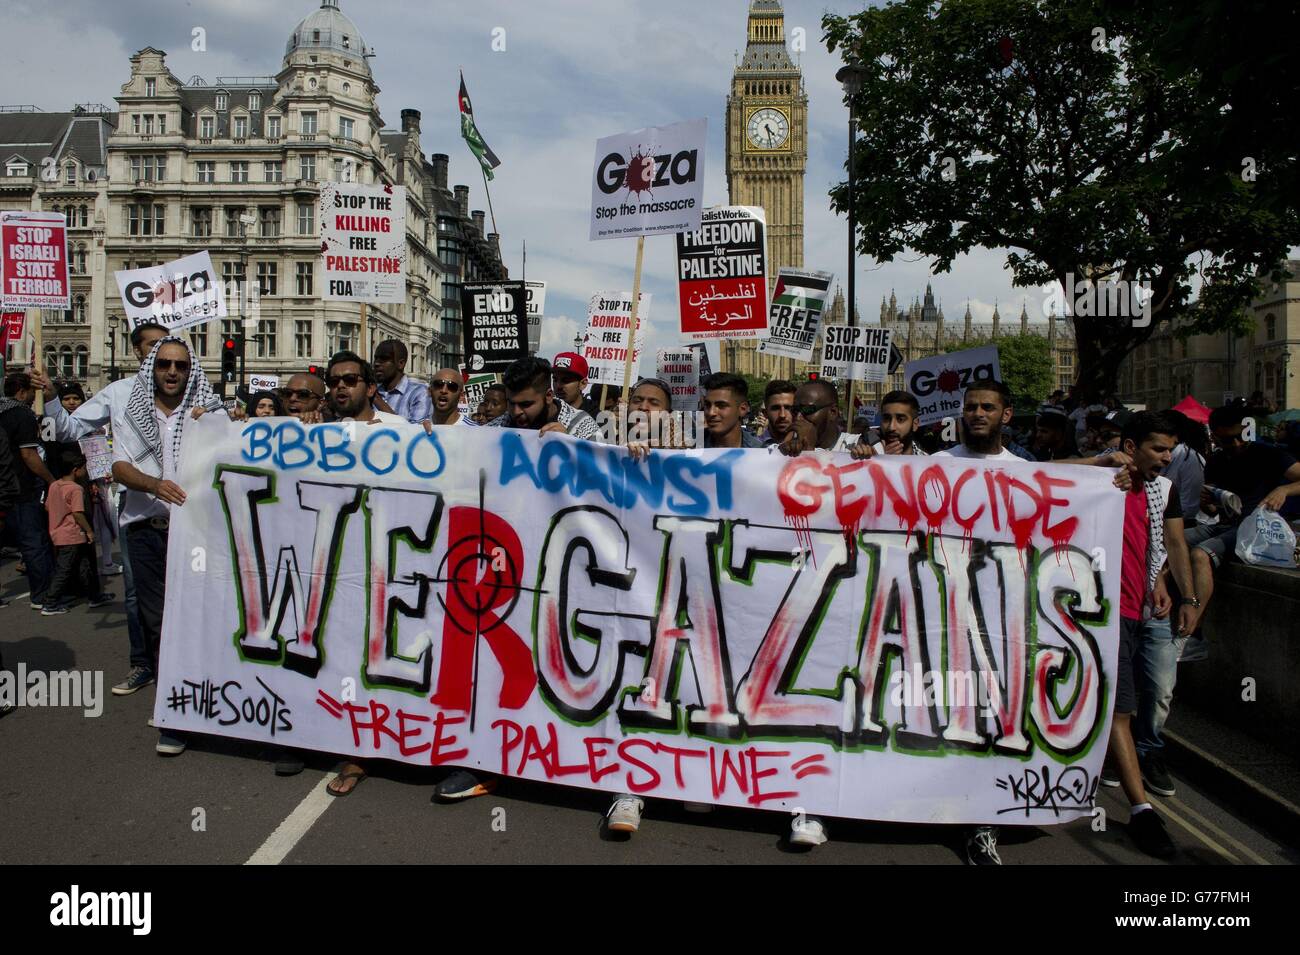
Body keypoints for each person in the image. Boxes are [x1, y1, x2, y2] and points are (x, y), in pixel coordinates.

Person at [934, 379, 1131, 864]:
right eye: (970, 407)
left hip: (1004, 616)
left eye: (987, 407)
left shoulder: (1021, 469)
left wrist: (1103, 471)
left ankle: (982, 822)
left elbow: (1053, 477)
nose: (976, 414)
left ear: (1007, 413)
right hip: (939, 610)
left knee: (995, 718)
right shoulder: (938, 465)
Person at [36, 320, 168, 695]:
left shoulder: (188, 392)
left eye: (168, 345)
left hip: (184, 507)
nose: (161, 353)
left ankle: (179, 666)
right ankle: (143, 664)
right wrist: (50, 396)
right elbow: (68, 429)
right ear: (138, 352)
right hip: (139, 505)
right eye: (152, 346)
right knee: (134, 592)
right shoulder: (119, 393)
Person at [110, 336, 225, 756]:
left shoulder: (208, 414)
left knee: (199, 616)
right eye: (163, 365)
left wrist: (219, 424)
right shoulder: (131, 413)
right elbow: (119, 466)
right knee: (158, 621)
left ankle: (204, 699)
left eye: (179, 365)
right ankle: (173, 712)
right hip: (146, 531)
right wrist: (155, 484)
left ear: (190, 370)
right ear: (151, 370)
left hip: (196, 531)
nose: (172, 372)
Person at [1092, 411, 1196, 856]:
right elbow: (1041, 474)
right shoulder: (1104, 481)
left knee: (1146, 696)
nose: (1167, 457)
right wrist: (1099, 464)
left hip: (1141, 611)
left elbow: (1172, 543)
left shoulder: (1163, 490)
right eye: (1158, 448)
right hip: (1103, 612)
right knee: (1120, 712)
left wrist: (1185, 595)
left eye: (1170, 449)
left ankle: (1119, 769)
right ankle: (1141, 810)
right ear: (1131, 448)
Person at [1185, 405, 1300, 625]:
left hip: (1254, 528)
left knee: (1200, 555)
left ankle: (1192, 627)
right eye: (1227, 440)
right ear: (1216, 437)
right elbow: (1211, 509)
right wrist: (1208, 503)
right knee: (1169, 541)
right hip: (1226, 524)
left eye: (1240, 436)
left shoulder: (1267, 453)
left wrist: (1284, 490)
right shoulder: (1216, 460)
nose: (1236, 444)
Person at [0, 372, 57, 611]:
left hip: (3, 487)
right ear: (23, 392)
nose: (35, 399)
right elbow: (29, 455)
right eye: (32, 394)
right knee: (33, 543)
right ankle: (41, 595)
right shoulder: (22, 414)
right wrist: (51, 480)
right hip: (20, 488)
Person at [41, 449, 112, 615]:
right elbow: (77, 513)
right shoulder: (76, 489)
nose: (85, 471)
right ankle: (50, 602)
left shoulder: (54, 486)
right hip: (72, 534)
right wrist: (89, 531)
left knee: (83, 565)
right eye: (84, 468)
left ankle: (94, 596)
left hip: (59, 533)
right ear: (75, 469)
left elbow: (47, 507)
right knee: (65, 569)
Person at [484, 356, 602, 439]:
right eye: (511, 403)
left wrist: (570, 447)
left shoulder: (582, 428)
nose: (516, 412)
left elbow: (600, 470)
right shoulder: (495, 428)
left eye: (526, 404)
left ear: (548, 396)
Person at [776, 379, 858, 456]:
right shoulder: (788, 447)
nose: (798, 418)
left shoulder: (855, 447)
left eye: (808, 409)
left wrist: (809, 449)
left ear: (833, 412)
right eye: (795, 410)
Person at [326, 351, 407, 426]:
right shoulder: (325, 433)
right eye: (334, 381)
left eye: (350, 379)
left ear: (370, 389)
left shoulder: (397, 425)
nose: (340, 385)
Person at [372, 339, 433, 424]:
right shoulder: (371, 392)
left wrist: (377, 399)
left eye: (384, 359)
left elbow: (416, 432)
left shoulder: (419, 392)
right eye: (376, 358)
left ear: (401, 363)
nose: (376, 363)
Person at [701, 373, 764, 449]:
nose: (711, 412)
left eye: (721, 405)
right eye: (707, 405)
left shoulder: (760, 453)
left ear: (742, 409)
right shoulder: (689, 450)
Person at [551, 352, 600, 418]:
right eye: (555, 380)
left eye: (566, 380)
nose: (558, 386)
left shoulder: (597, 417)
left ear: (583, 384)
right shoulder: (545, 413)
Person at [759, 380, 797, 447]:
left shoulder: (808, 446)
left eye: (788, 408)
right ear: (765, 413)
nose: (782, 415)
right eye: (776, 408)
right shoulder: (753, 447)